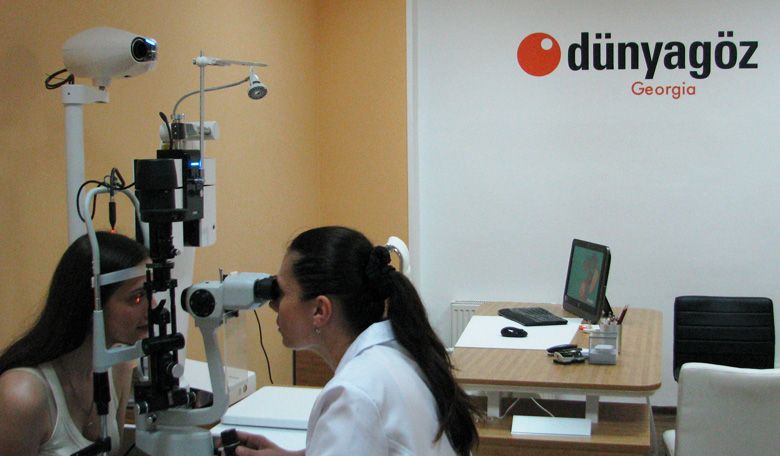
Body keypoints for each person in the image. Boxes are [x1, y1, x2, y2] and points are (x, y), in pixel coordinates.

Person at [229, 226, 480, 456]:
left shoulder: (354, 393)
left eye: (281, 292)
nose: (273, 305)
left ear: (320, 310)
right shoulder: (401, 351)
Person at [0, 231, 151, 456]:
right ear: (92, 303)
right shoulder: (22, 396)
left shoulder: (118, 367)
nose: (152, 306)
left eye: (151, 293)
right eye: (137, 297)